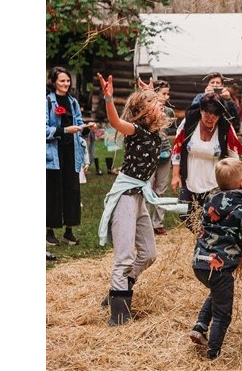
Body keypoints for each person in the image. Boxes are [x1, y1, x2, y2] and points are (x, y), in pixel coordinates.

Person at [95, 74, 187, 326]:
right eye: (155, 104)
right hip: (125, 197)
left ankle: (121, 285)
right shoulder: (135, 130)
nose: (160, 107)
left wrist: (150, 93)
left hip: (139, 198)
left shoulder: (155, 132)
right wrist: (109, 98)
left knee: (148, 253)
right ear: (143, 111)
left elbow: (154, 106)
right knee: (123, 257)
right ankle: (119, 315)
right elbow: (114, 121)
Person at [188, 158, 242, 360]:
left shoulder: (209, 203)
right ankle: (212, 354)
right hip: (220, 267)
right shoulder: (241, 210)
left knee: (217, 293)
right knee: (223, 313)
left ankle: (200, 326)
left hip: (200, 263)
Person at [171, 94, 242, 227]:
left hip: (214, 181)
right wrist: (175, 175)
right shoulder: (189, 122)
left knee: (213, 216)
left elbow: (234, 155)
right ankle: (203, 237)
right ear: (201, 111)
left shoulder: (225, 127)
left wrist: (238, 179)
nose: (210, 119)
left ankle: (208, 239)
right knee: (185, 214)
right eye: (207, 114)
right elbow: (177, 148)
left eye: (215, 116)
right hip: (190, 178)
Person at [46, 66, 91, 246]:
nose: (66, 84)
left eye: (67, 80)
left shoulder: (72, 102)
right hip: (54, 154)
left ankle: (69, 231)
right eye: (62, 81)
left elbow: (78, 123)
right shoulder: (47, 101)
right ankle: (49, 230)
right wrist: (64, 130)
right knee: (54, 191)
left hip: (72, 152)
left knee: (72, 190)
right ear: (54, 81)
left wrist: (85, 128)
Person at [149, 80, 176, 236]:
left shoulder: (169, 112)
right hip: (150, 154)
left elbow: (171, 130)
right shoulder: (147, 110)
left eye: (168, 93)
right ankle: (145, 223)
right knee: (147, 187)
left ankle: (157, 223)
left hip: (165, 153)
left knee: (161, 188)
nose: (166, 96)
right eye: (163, 93)